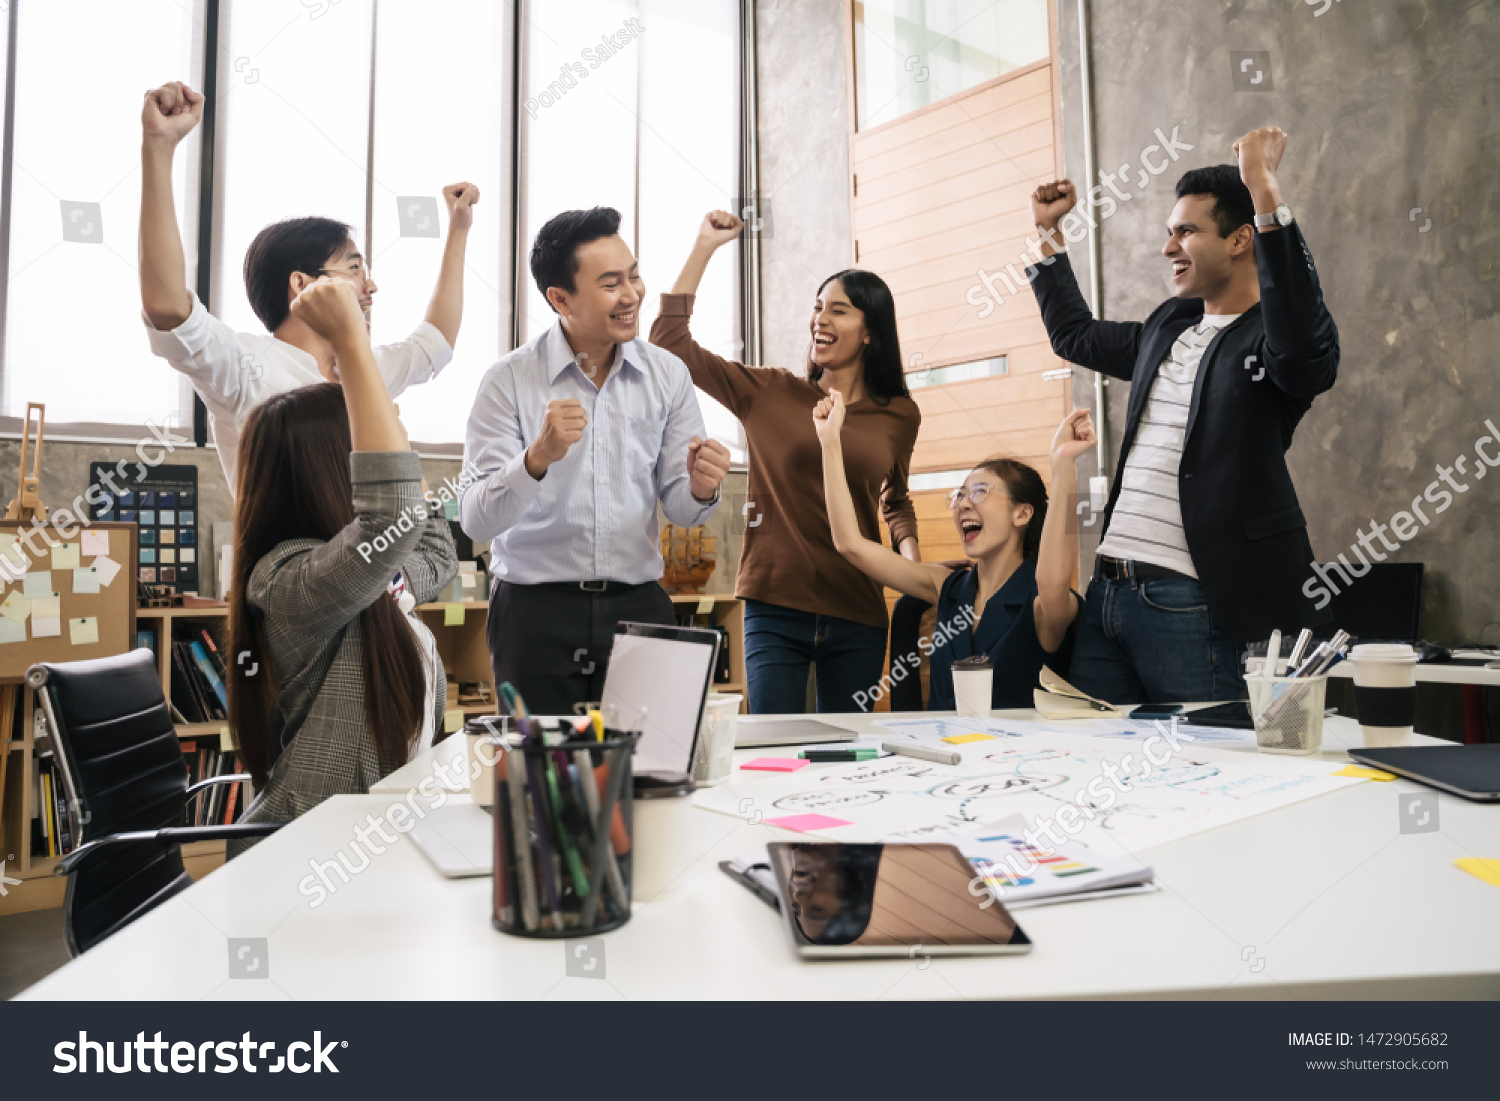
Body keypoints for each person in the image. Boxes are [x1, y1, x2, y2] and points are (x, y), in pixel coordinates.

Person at [1024, 127, 1339, 705]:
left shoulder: (1274, 342)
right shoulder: (1167, 327)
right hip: (1108, 600)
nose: (1169, 247)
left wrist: (1264, 188)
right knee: (1095, 765)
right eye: (1170, 232)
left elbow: (1303, 342)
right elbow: (1074, 334)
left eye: (1187, 232)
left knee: (1210, 772)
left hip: (1193, 604)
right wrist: (1049, 234)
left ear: (1242, 239)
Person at [138, 80, 479, 489]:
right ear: (302, 283)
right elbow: (170, 309)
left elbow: (434, 341)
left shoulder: (362, 368)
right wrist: (158, 148)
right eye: (354, 269)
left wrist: (458, 228)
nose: (370, 288)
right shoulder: (248, 366)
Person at [460, 207, 731, 716]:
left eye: (633, 276)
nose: (630, 296)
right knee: (542, 780)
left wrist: (698, 487)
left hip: (639, 603)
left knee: (654, 772)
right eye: (610, 284)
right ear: (559, 299)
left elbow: (681, 508)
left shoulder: (667, 375)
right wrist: (537, 458)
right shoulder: (509, 380)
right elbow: (476, 518)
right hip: (534, 611)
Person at [651, 211, 921, 714]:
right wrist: (705, 247)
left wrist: (913, 571)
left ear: (869, 332)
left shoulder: (899, 415)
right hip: (775, 603)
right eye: (818, 307)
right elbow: (670, 344)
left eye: (838, 311)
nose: (820, 318)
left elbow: (895, 501)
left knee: (846, 757)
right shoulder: (768, 392)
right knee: (774, 749)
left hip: (857, 607)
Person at [226, 277, 458, 854]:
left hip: (381, 842)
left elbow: (433, 554)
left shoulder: (376, 582)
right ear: (337, 469)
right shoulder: (288, 582)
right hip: (311, 857)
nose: (391, 445)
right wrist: (352, 343)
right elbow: (391, 520)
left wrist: (396, 442)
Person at [817, 392, 1093, 709]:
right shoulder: (946, 588)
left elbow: (1055, 581)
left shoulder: (1043, 606)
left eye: (979, 492)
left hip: (1012, 756)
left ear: (1022, 514)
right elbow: (850, 545)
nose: (963, 503)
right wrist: (829, 442)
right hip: (940, 753)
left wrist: (1063, 464)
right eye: (959, 495)